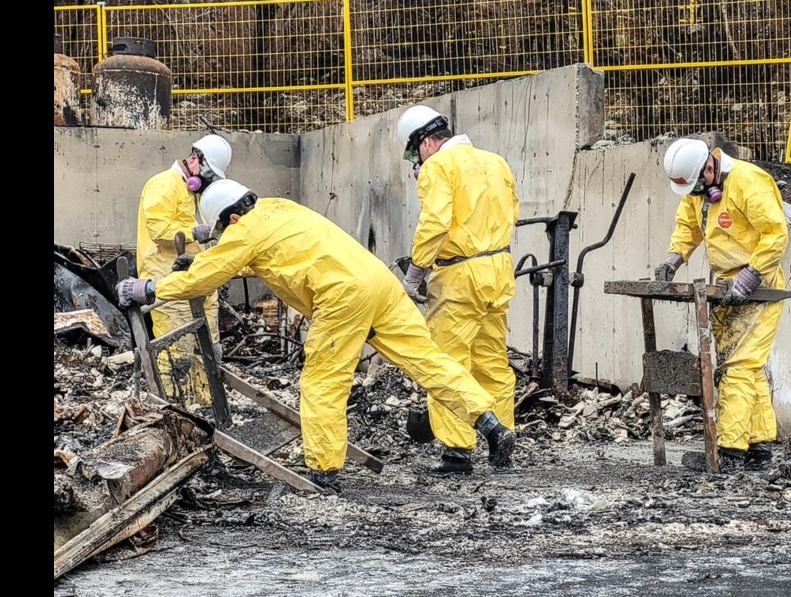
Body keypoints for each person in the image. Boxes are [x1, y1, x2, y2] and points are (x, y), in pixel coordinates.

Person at [115, 180, 517, 493]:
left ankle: (323, 472)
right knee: (429, 361)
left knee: (324, 382)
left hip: (342, 296)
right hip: (378, 283)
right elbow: (257, 258)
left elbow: (213, 272)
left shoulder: (245, 232)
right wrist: (206, 258)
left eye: (222, 229)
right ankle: (489, 422)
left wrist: (150, 289)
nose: (223, 235)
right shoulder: (279, 208)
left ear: (231, 219)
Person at [395, 105, 520, 475]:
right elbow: (512, 210)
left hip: (458, 273)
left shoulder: (438, 166)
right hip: (498, 268)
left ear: (425, 142)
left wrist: (415, 272)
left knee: (447, 361)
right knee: (493, 362)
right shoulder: (495, 161)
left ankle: (457, 452)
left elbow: (435, 223)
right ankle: (502, 442)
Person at [653, 137, 788, 473]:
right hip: (726, 287)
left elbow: (775, 233)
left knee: (737, 368)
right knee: (746, 366)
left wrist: (751, 277)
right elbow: (688, 226)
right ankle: (759, 448)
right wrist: (674, 257)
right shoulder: (699, 191)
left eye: (700, 186)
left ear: (710, 166)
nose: (698, 195)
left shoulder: (747, 181)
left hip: (759, 285)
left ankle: (729, 451)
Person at [135, 133, 232, 408]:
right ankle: (173, 409)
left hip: (192, 278)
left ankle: (205, 405)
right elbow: (157, 230)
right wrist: (193, 232)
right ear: (193, 159)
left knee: (207, 347)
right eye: (208, 173)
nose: (207, 180)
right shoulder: (162, 184)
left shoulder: (190, 191)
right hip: (166, 278)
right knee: (175, 352)